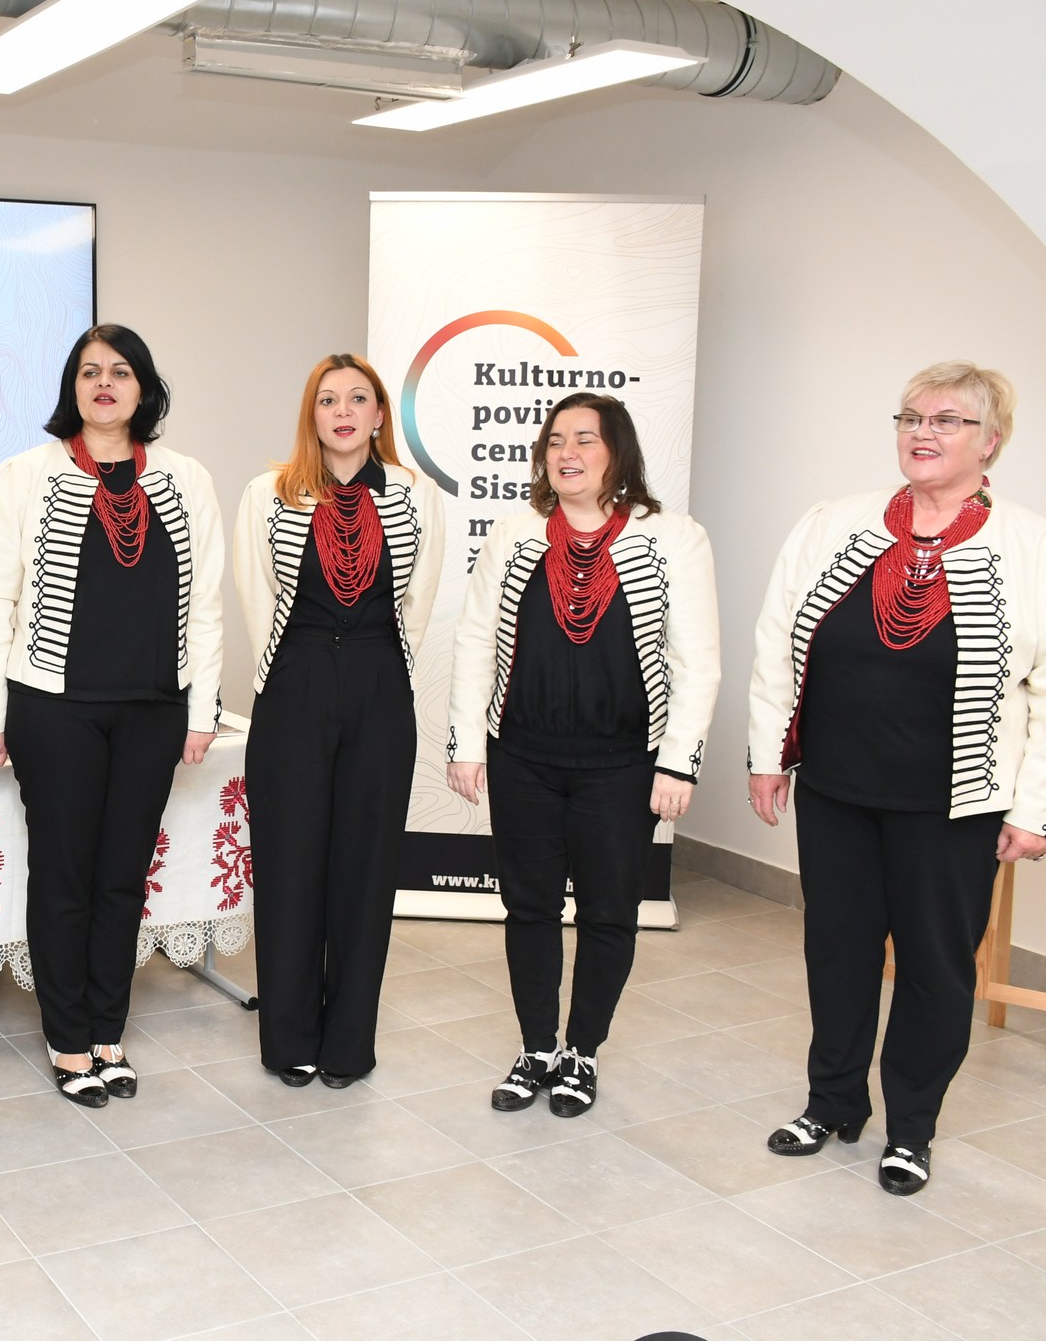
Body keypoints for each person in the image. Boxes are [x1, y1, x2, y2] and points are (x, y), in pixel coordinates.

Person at [749, 361, 1046, 1196]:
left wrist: (1034, 808)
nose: (923, 431)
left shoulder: (1030, 545)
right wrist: (769, 754)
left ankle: (911, 1126)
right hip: (836, 787)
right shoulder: (832, 522)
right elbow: (778, 639)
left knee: (934, 967)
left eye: (947, 420)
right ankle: (832, 1100)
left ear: (991, 442)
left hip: (955, 802)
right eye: (911, 416)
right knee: (836, 951)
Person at [0, 324, 226, 1106]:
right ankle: (68, 1037)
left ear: (144, 389)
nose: (103, 384)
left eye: (120, 372)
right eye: (88, 372)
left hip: (153, 708)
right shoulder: (24, 476)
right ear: (71, 388)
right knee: (64, 877)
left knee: (123, 877)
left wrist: (201, 709)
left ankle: (109, 1028)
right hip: (53, 711)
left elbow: (205, 605)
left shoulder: (186, 478)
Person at [446, 392, 718, 1119]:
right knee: (528, 906)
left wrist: (679, 761)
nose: (567, 453)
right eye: (556, 440)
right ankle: (537, 1048)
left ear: (617, 451)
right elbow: (475, 638)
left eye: (585, 439)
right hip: (522, 757)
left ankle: (582, 1051)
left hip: (624, 765)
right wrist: (466, 742)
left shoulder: (674, 538)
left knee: (608, 912)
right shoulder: (515, 532)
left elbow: (696, 660)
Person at [234, 354, 444, 1088]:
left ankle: (349, 1043)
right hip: (293, 682)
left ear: (381, 414)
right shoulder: (268, 492)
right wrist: (288, 675)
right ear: (312, 414)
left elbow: (418, 602)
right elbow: (257, 596)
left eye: (359, 399)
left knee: (367, 866)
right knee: (289, 863)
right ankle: (289, 1038)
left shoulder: (416, 495)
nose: (344, 411)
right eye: (329, 400)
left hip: (380, 681)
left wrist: (382, 672)